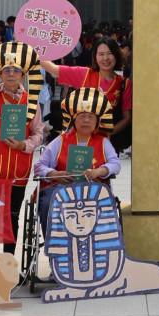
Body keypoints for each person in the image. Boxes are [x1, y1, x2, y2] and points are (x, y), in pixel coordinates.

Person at [0, 42, 45, 259]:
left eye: (16, 70)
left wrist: (25, 145)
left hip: (18, 170)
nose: (11, 73)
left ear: (23, 75)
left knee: (13, 218)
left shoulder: (30, 101)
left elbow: (38, 133)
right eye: (6, 70)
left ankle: (7, 266)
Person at [33, 88, 120, 219]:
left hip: (93, 188)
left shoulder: (103, 142)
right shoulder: (60, 141)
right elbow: (39, 167)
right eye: (82, 116)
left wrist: (99, 171)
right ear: (74, 120)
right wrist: (56, 174)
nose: (86, 121)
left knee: (104, 205)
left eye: (91, 117)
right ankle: (54, 239)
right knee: (48, 204)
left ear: (97, 121)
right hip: (60, 187)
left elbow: (115, 164)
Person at [38, 37, 133, 154]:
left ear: (116, 55)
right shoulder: (84, 74)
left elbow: (126, 118)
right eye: (101, 54)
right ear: (95, 57)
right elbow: (53, 69)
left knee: (105, 171)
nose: (105, 58)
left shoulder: (124, 83)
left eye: (110, 54)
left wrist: (107, 133)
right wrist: (30, 49)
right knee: (77, 171)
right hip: (80, 141)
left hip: (107, 144)